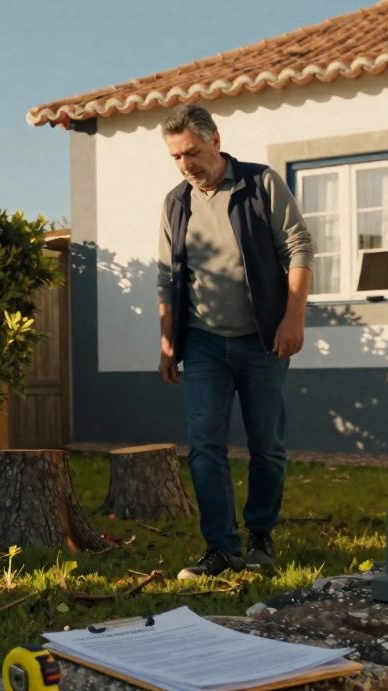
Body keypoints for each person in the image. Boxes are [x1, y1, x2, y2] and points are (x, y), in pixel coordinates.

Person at [155, 104, 315, 580]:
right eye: (177, 157)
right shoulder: (176, 203)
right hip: (202, 343)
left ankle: (260, 535)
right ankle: (221, 548)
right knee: (205, 446)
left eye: (193, 152)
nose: (187, 164)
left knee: (266, 445)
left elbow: (299, 248)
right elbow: (167, 279)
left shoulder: (260, 184)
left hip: (263, 339)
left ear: (216, 141)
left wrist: (293, 318)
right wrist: (168, 343)